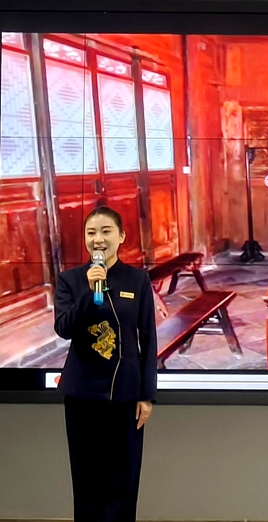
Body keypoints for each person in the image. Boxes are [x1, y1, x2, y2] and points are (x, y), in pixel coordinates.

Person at [54, 206, 158, 522]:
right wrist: (89, 291)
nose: (98, 239)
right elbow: (64, 328)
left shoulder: (137, 279)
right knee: (87, 480)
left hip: (125, 394)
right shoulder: (70, 280)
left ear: (121, 236)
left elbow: (148, 338)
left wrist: (147, 395)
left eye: (106, 231)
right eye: (91, 233)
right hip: (82, 394)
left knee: (123, 479)